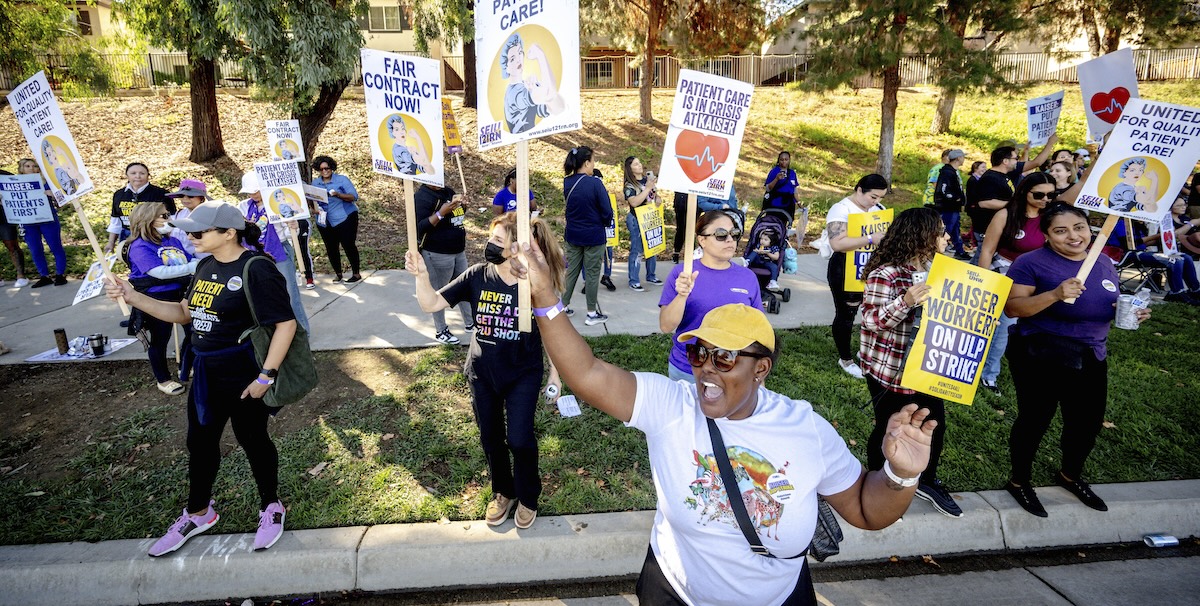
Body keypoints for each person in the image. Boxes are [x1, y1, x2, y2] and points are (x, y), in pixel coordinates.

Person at [511, 234, 938, 604]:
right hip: (674, 593)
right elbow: (587, 374)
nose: (707, 368)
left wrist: (900, 475)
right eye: (699, 353)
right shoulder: (672, 405)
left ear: (761, 368)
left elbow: (867, 510)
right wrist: (547, 297)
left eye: (725, 356)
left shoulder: (805, 429)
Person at [105, 201, 297, 555]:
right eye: (188, 231)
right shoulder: (205, 265)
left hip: (244, 370)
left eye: (198, 232)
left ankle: (271, 506)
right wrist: (133, 296)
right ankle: (198, 513)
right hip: (206, 371)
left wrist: (266, 376)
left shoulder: (257, 269)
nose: (189, 237)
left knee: (252, 439)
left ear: (229, 233)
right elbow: (183, 313)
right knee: (200, 442)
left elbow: (286, 323)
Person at [405, 212, 563, 529]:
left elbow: (553, 332)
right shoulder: (477, 275)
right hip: (482, 373)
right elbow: (431, 304)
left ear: (517, 248)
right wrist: (422, 276)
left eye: (498, 241)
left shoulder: (533, 284)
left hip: (522, 374)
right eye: (490, 238)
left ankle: (528, 496)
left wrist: (555, 375)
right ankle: (503, 491)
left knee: (519, 439)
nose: (490, 245)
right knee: (491, 438)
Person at [1003, 203, 1151, 517]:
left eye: (1079, 227)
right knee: (1036, 419)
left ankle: (1070, 475)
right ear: (1045, 235)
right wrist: (1055, 295)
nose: (1074, 236)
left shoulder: (1103, 262)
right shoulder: (1030, 263)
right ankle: (1019, 482)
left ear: (1089, 228)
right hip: (1040, 352)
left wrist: (1132, 311)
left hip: (1091, 353)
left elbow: (1108, 301)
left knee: (1085, 422)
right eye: (1061, 231)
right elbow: (1014, 309)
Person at [859, 207, 961, 518]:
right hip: (891, 369)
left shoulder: (938, 269)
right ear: (922, 235)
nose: (946, 237)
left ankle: (927, 480)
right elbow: (871, 319)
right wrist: (906, 301)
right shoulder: (886, 273)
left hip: (928, 366)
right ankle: (879, 482)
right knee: (891, 427)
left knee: (934, 424)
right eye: (940, 232)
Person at [975, 172, 1057, 394]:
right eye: (1039, 194)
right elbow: (988, 249)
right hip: (1005, 276)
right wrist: (985, 280)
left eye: (1051, 195)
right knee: (1003, 327)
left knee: (1033, 329)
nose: (1045, 200)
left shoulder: (1051, 217)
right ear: (1025, 191)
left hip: (1039, 279)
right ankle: (988, 375)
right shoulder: (1006, 214)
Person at [659, 210, 761, 381]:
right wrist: (682, 295)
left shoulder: (747, 277)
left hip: (732, 369)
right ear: (702, 240)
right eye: (721, 234)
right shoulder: (683, 273)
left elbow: (757, 330)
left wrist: (758, 377)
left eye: (734, 233)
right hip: (688, 368)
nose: (730, 240)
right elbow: (666, 326)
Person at [124, 203, 196, 395]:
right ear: (147, 220)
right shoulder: (139, 246)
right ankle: (163, 378)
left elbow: (191, 259)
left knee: (194, 332)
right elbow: (159, 273)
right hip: (156, 296)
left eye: (168, 214)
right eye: (163, 216)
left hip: (182, 293)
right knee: (160, 339)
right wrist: (193, 267)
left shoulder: (173, 242)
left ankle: (187, 365)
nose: (169, 219)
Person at [826, 174, 889, 379]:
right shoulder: (841, 209)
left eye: (880, 197)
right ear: (859, 190)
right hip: (846, 267)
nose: (877, 202)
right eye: (873, 197)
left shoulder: (877, 210)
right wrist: (871, 238)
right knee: (847, 313)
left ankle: (867, 353)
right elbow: (837, 243)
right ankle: (845, 359)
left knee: (873, 311)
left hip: (872, 267)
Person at [237, 174, 311, 334]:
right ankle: (273, 334)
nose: (253, 195)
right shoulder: (244, 206)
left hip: (278, 250)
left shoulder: (277, 204)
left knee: (289, 294)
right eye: (249, 192)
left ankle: (302, 333)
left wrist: (293, 225)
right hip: (254, 253)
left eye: (256, 191)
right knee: (262, 295)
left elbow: (291, 233)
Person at [414, 183, 474, 344]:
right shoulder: (421, 197)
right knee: (439, 292)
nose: (440, 181)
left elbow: (456, 216)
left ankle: (470, 323)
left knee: (464, 287)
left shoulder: (448, 191)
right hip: (437, 253)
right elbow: (420, 227)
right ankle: (441, 331)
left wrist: (463, 206)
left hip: (458, 251)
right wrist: (441, 213)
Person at [560, 147, 612, 325]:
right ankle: (591, 313)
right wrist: (603, 222)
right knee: (591, 274)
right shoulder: (595, 183)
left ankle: (563, 306)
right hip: (593, 236)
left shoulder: (567, 182)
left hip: (573, 234)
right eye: (593, 161)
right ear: (587, 163)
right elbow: (607, 211)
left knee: (571, 271)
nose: (594, 165)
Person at [1103, 213, 1200, 305]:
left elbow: (1144, 243)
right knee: (1174, 260)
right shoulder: (1122, 222)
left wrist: (1166, 236)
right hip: (1124, 254)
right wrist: (1158, 235)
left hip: (1140, 252)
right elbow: (1129, 244)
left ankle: (1195, 290)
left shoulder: (1137, 224)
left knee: (1184, 257)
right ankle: (1176, 292)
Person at [499, 32, 565, 134]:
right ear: (506, 67)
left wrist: (541, 92)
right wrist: (540, 55)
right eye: (512, 59)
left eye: (520, 52)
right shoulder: (514, 93)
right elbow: (548, 93)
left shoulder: (526, 86)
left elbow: (558, 108)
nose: (518, 60)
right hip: (520, 139)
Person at [17, 159, 68, 287]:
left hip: (48, 220)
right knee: (35, 249)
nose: (31, 168)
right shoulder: (15, 186)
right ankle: (44, 276)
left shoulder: (46, 183)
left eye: (34, 166)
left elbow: (61, 202)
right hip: (28, 222)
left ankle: (60, 274)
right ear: (21, 169)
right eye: (27, 166)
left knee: (55, 247)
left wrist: (53, 195)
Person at [311, 155, 362, 283]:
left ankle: (356, 273)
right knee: (331, 247)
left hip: (344, 217)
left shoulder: (341, 180)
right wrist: (314, 209)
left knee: (348, 245)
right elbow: (312, 199)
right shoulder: (315, 183)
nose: (324, 171)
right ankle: (338, 274)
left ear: (332, 168)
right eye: (321, 169)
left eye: (327, 168)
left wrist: (338, 195)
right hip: (324, 220)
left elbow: (353, 196)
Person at [106, 162, 173, 253]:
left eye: (142, 173)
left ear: (148, 175)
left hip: (152, 236)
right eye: (133, 173)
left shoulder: (161, 193)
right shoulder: (119, 194)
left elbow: (172, 219)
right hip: (127, 235)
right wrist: (111, 242)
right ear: (127, 175)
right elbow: (115, 221)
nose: (138, 176)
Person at [623, 156, 662, 291]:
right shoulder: (629, 185)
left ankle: (651, 275)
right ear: (630, 168)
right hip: (636, 219)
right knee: (637, 250)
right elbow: (633, 202)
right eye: (636, 164)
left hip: (650, 218)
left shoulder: (647, 180)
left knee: (652, 247)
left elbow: (655, 195)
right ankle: (633, 280)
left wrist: (658, 199)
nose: (640, 165)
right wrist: (647, 188)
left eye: (640, 162)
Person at [931, 149, 970, 260]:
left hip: (954, 207)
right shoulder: (947, 172)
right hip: (948, 207)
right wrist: (955, 198)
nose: (964, 159)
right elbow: (943, 189)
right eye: (963, 157)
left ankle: (960, 251)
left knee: (955, 229)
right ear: (958, 158)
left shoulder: (953, 172)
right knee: (946, 229)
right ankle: (935, 251)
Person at [0, 169, 30, 288]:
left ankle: (21, 276)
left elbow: (20, 189)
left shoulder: (4, 175)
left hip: (5, 217)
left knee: (12, 245)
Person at [167, 179, 210, 260]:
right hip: (180, 260)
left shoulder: (210, 214)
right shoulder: (178, 214)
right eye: (181, 196)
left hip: (205, 260)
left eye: (191, 196)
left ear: (201, 198)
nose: (185, 199)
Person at [764, 151, 799, 219]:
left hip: (788, 204)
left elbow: (794, 189)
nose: (784, 162)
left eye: (786, 159)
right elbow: (768, 188)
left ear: (789, 160)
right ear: (778, 160)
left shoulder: (792, 173)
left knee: (784, 224)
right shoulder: (774, 171)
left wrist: (798, 202)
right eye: (782, 159)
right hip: (775, 203)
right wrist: (776, 179)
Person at [1169, 194, 1200, 259]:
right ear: (1170, 206)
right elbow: (1173, 235)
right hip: (1178, 250)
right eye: (1179, 205)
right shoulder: (1167, 220)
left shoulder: (1184, 218)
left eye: (1184, 205)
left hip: (1195, 249)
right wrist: (1191, 223)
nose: (1183, 207)